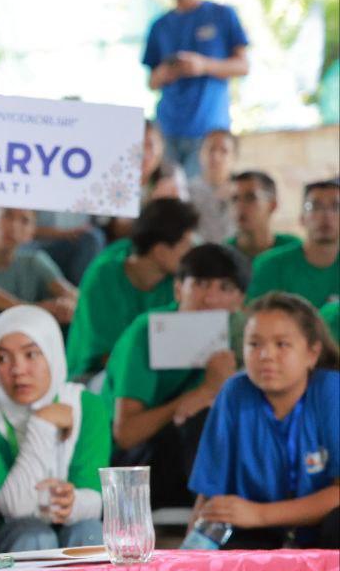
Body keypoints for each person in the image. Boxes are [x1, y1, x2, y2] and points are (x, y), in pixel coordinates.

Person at [102, 244, 249, 508]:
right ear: (178, 289)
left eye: (225, 288)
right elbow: (125, 434)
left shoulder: (245, 335)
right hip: (136, 468)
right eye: (201, 284)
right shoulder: (146, 333)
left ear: (239, 300)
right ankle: (213, 520)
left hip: (201, 460)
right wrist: (203, 392)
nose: (211, 298)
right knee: (202, 418)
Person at [189, 293, 339, 549]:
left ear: (312, 353)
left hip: (319, 529)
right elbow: (210, 495)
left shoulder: (331, 390)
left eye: (282, 344)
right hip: (253, 531)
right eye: (254, 344)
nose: (266, 355)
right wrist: (189, 556)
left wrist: (259, 514)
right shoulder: (234, 392)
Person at [0, 305, 109, 551]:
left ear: (52, 353)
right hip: (2, 534)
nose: (17, 370)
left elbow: (95, 499)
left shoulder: (86, 405)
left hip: (72, 525)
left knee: (89, 532)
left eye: (31, 354)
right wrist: (42, 423)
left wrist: (71, 502)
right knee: (35, 536)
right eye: (2, 358)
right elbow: (12, 506)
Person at [143, 0, 250, 179]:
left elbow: (243, 66)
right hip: (168, 128)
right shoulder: (160, 26)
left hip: (208, 128)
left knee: (200, 197)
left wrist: (203, 66)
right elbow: (151, 81)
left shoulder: (222, 15)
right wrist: (165, 72)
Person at [65, 198, 199, 379]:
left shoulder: (178, 280)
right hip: (96, 375)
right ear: (160, 251)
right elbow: (107, 357)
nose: (192, 252)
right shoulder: (104, 277)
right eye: (186, 245)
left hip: (155, 372)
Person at [0, 207, 78, 385]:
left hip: (24, 354)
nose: (13, 226)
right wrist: (33, 310)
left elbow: (73, 296)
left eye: (24, 221)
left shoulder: (35, 261)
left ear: (32, 232)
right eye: (7, 215)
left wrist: (66, 305)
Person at [246, 178, 340, 310]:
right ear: (302, 218)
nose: (326, 215)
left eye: (336, 207)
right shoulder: (269, 266)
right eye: (314, 207)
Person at [226, 170, 300, 261]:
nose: (240, 206)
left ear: (272, 205)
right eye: (235, 199)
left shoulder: (293, 249)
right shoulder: (222, 255)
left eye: (250, 198)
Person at [187, 129, 237, 244]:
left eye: (224, 151)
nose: (216, 156)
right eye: (211, 149)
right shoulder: (187, 191)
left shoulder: (241, 191)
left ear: (234, 157)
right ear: (200, 154)